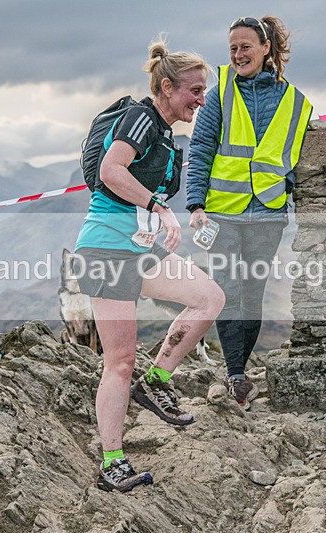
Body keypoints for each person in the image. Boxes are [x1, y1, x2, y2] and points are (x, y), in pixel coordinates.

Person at [72, 39, 224, 492]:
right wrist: (159, 208)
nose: (200, 99)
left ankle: (155, 381)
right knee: (118, 361)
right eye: (195, 90)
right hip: (105, 251)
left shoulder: (165, 133)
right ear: (166, 87)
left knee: (208, 299)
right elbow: (110, 171)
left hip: (138, 249)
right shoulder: (140, 117)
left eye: (203, 91)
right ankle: (112, 462)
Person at [186, 16, 312, 410]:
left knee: (253, 291)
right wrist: (195, 203)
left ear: (266, 48)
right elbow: (202, 148)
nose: (238, 55)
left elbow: (296, 154)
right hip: (222, 211)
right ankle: (236, 372)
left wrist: (287, 187)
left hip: (269, 211)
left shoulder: (294, 101)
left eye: (246, 47)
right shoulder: (219, 91)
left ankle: (237, 370)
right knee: (227, 290)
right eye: (233, 49)